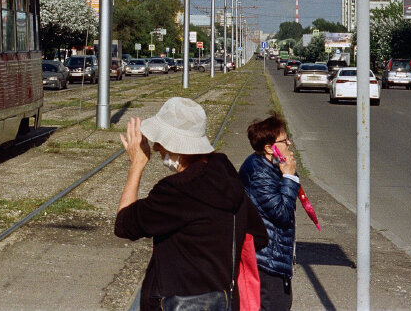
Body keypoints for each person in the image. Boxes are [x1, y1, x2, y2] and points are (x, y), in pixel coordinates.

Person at [116, 97, 267, 311]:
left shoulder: (175, 192)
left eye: (160, 141)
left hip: (174, 302)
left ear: (176, 146)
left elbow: (123, 224)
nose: (156, 146)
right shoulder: (227, 176)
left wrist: (137, 164)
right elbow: (259, 237)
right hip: (222, 302)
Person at [238, 113, 299, 311]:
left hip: (271, 256)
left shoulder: (270, 166)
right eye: (284, 140)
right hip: (266, 260)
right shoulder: (260, 174)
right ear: (268, 148)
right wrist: (289, 177)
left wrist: (287, 174)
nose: (289, 143)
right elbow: (282, 213)